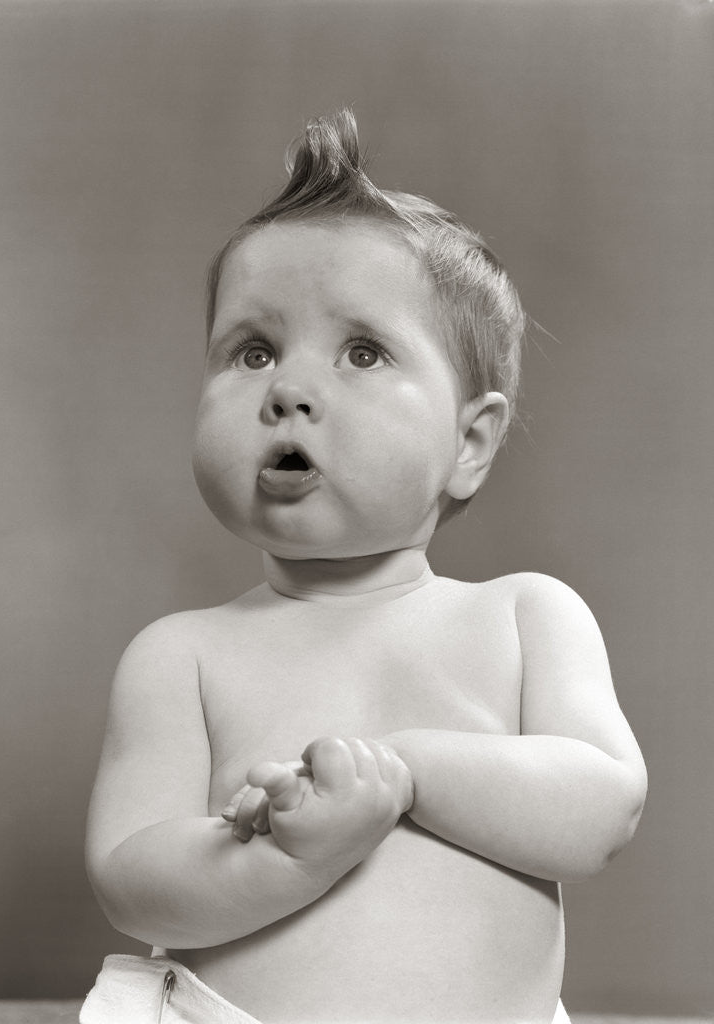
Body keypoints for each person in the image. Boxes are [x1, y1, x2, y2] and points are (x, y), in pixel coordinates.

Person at [81, 110, 647, 1024]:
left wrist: (408, 772)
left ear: (469, 442)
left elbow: (601, 813)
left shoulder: (524, 618)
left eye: (361, 352)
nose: (288, 390)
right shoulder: (180, 655)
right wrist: (287, 860)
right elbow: (131, 885)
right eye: (253, 351)